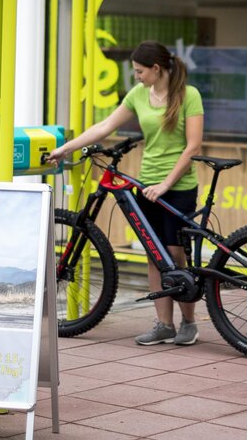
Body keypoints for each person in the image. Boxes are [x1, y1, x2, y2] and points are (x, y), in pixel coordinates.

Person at [48, 40, 204, 347]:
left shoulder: (189, 95)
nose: (136, 77)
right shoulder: (138, 95)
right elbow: (105, 125)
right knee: (153, 252)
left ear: (157, 69)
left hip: (179, 186)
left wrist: (166, 185)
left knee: (175, 254)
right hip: (147, 183)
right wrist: (66, 148)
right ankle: (163, 324)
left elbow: (193, 146)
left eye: (140, 71)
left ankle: (189, 323)